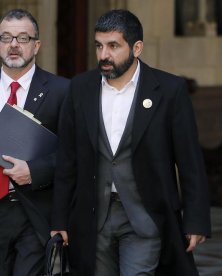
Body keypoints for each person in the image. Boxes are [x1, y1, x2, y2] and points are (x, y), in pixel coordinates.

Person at [51, 9, 211, 276]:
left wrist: (196, 220)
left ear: (137, 48)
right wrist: (59, 219)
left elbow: (189, 160)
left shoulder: (169, 90)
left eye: (113, 46)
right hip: (93, 218)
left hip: (145, 216)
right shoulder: (79, 88)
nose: (104, 55)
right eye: (99, 46)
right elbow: (67, 159)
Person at [0, 8, 69, 276]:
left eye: (23, 38)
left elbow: (71, 157)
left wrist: (35, 171)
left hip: (34, 213)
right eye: (6, 38)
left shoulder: (61, 90)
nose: (14, 45)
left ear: (37, 45)